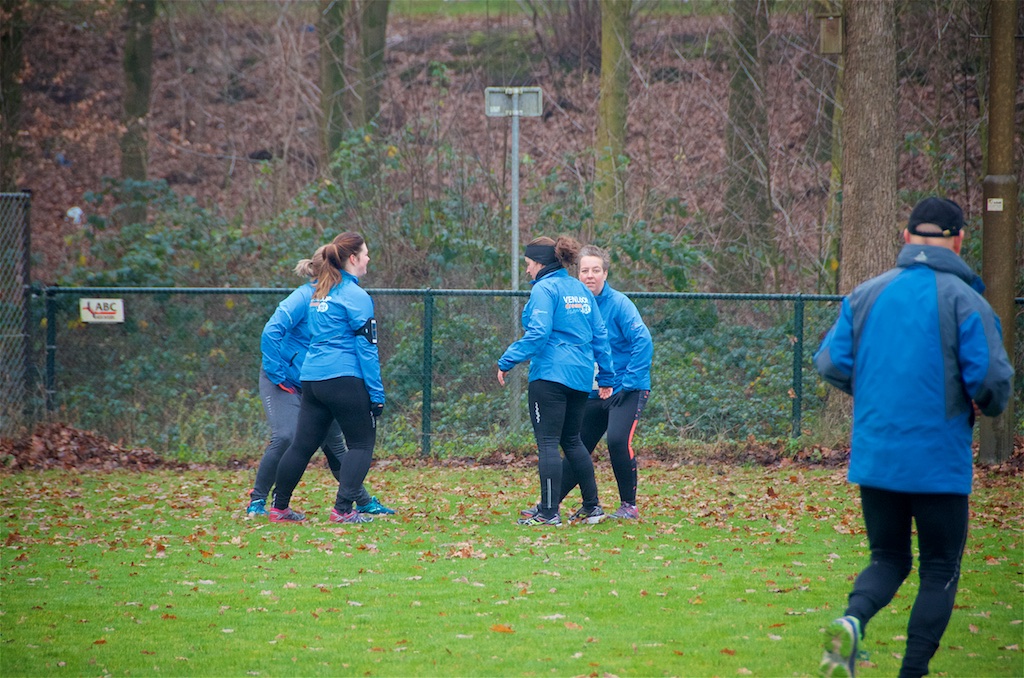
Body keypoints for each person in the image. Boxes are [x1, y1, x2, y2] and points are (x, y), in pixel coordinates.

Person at [813, 197, 1013, 678]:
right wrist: (981, 405)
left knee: (888, 558)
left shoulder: (866, 294)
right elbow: (991, 380)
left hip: (877, 456)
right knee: (940, 567)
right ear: (959, 239)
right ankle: (913, 671)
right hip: (937, 460)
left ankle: (851, 620)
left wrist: (876, 395)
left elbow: (831, 362)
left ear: (905, 237)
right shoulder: (966, 301)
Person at [245, 246, 393, 518]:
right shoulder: (311, 295)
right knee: (290, 437)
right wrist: (278, 374)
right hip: (294, 379)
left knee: (329, 446)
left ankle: (358, 502)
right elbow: (272, 330)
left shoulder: (329, 295)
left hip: (313, 380)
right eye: (364, 254)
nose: (368, 259)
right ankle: (260, 501)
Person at [522, 244, 653, 521]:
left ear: (605, 274)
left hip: (626, 388)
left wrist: (628, 382)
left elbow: (643, 341)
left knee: (617, 440)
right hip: (594, 391)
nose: (590, 275)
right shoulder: (575, 301)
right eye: (584, 271)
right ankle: (551, 505)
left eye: (595, 270)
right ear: (577, 273)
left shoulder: (619, 304)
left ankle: (628, 505)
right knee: (576, 444)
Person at [497, 235, 616, 527]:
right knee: (572, 441)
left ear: (540, 262)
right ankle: (592, 507)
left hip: (550, 375)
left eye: (528, 263)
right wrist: (606, 375)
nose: (527, 269)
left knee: (548, 442)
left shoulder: (544, 289)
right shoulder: (580, 289)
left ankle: (549, 513)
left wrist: (507, 360)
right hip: (580, 377)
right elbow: (600, 334)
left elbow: (539, 333)